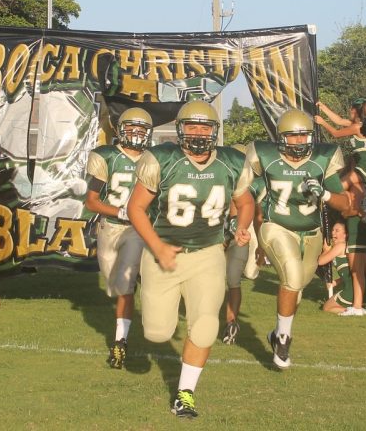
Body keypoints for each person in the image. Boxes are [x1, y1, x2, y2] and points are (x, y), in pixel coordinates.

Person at [127, 100, 254, 419]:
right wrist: (157, 246)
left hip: (208, 252)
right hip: (164, 253)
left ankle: (185, 393)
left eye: (205, 127)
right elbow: (135, 208)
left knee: (205, 327)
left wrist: (241, 227)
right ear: (180, 129)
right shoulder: (162, 159)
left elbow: (246, 201)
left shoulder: (231, 162)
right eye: (192, 126)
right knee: (157, 332)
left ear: (215, 131)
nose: (198, 132)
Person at [243, 108, 354, 369]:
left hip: (311, 232)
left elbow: (346, 205)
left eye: (304, 135)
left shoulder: (322, 159)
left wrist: (325, 195)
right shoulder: (266, 156)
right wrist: (243, 225)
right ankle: (283, 339)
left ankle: (275, 333)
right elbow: (246, 193)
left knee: (297, 288)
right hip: (277, 226)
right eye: (293, 136)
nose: (299, 141)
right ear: (282, 137)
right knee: (291, 277)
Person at [83, 107, 153, 369]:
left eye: (141, 129)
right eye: (131, 128)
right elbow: (91, 201)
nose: (136, 134)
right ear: (121, 130)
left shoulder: (153, 159)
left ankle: (119, 342)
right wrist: (120, 210)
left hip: (136, 229)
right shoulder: (107, 156)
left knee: (125, 285)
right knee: (116, 286)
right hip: (109, 227)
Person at [316, 99, 366, 316]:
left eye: (350, 109)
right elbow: (339, 120)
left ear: (355, 111)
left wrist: (321, 123)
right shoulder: (358, 124)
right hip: (364, 167)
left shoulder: (357, 127)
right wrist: (323, 109)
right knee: (346, 190)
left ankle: (323, 194)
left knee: (338, 186)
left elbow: (335, 133)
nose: (347, 112)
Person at [221, 166, 266, 345]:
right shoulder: (217, 178)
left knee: (233, 281)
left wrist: (261, 246)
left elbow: (258, 217)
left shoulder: (251, 188)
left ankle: (231, 323)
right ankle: (227, 322)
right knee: (225, 281)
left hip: (237, 237)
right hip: (218, 235)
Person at [318, 214, 351, 314]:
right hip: (357, 289)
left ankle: (351, 311)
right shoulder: (344, 246)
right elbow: (349, 274)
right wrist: (335, 282)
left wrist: (326, 250)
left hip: (351, 290)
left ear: (345, 235)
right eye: (332, 230)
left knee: (326, 307)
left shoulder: (341, 246)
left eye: (337, 231)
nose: (333, 233)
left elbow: (320, 261)